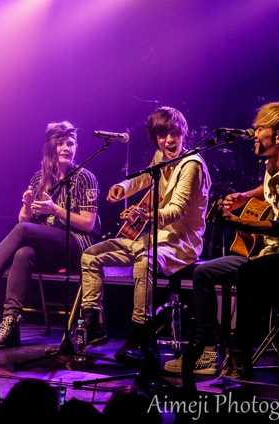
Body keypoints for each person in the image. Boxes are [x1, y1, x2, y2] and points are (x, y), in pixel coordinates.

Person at [173, 101, 279, 384]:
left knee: (248, 272)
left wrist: (234, 221)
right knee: (203, 272)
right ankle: (207, 347)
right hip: (270, 252)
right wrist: (245, 196)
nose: (253, 134)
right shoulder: (273, 164)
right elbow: (269, 189)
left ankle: (239, 352)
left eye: (260, 129)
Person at [80, 106, 211, 368]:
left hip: (181, 242)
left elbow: (177, 210)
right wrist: (123, 186)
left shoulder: (192, 165)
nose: (169, 140)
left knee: (145, 263)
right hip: (153, 238)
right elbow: (143, 178)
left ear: (183, 133)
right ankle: (94, 325)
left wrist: (146, 215)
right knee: (90, 255)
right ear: (156, 138)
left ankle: (140, 334)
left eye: (174, 133)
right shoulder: (160, 157)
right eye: (163, 135)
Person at [0, 122, 101, 349]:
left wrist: (55, 210)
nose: (66, 148)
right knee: (23, 253)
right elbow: (25, 223)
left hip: (77, 244)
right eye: (60, 144)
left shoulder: (85, 177)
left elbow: (88, 225)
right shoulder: (39, 178)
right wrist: (28, 207)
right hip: (48, 246)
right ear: (50, 147)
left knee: (23, 233)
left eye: (70, 144)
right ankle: (10, 323)